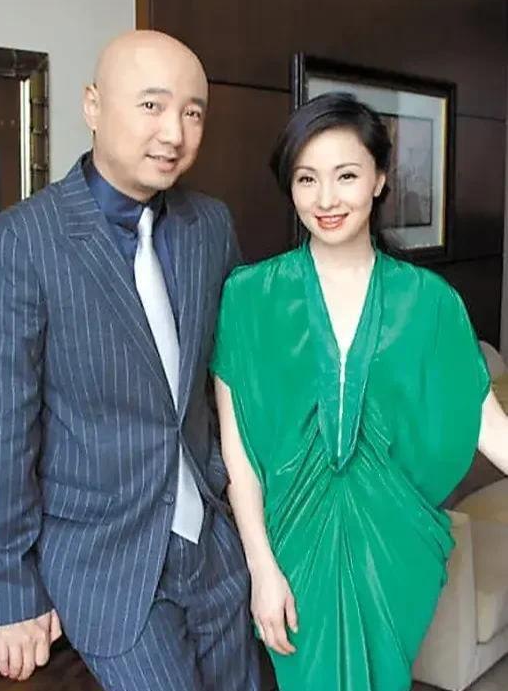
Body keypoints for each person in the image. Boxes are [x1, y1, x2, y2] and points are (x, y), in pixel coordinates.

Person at [0, 30, 260, 691]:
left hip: (214, 551)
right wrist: (9, 590)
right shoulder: (17, 243)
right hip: (107, 563)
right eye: (152, 105)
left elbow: (233, 377)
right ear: (92, 105)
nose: (174, 133)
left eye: (192, 112)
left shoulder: (210, 224)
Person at [211, 92, 508, 691]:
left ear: (379, 178)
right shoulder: (249, 297)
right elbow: (238, 454)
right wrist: (261, 568)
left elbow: (485, 424)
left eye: (345, 175)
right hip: (293, 550)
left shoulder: (429, 303)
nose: (325, 199)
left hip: (394, 551)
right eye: (307, 179)